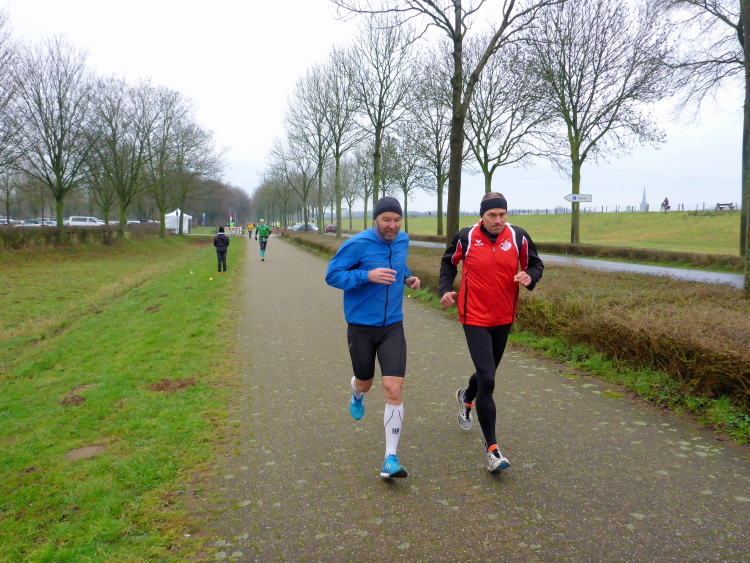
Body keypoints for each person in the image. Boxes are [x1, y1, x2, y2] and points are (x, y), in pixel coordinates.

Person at [439, 192, 544, 473]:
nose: (498, 220)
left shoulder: (518, 236)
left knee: (487, 374)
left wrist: (530, 276)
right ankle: (492, 451)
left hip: (503, 317)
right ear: (482, 216)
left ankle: (466, 396)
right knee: (488, 378)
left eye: (502, 214)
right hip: (473, 316)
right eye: (492, 215)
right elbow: (448, 263)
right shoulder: (466, 237)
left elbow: (535, 264)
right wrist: (445, 289)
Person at [325, 197, 421, 479]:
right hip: (361, 327)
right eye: (386, 219)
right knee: (365, 382)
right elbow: (332, 275)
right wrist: (367, 275)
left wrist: (408, 278)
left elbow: (400, 267)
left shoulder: (403, 240)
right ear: (375, 219)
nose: (392, 225)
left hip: (393, 326)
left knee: (393, 388)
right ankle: (356, 392)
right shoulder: (358, 244)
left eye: (397, 220)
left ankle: (390, 458)